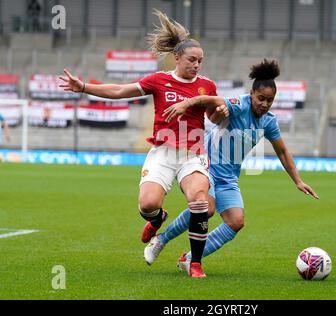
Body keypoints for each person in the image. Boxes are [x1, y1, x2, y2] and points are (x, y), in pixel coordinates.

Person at [59, 10, 228, 278]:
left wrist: (221, 112)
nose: (197, 65)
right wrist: (83, 88)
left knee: (200, 204)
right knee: (148, 204)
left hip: (193, 152)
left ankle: (195, 263)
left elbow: (213, 116)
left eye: (200, 61)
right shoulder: (159, 80)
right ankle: (157, 219)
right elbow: (119, 91)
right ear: (177, 57)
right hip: (163, 151)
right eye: (192, 60)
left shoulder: (207, 85)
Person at [143, 59, 319, 274]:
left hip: (229, 177)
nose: (264, 104)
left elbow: (282, 151)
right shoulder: (238, 104)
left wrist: (298, 181)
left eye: (270, 100)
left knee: (236, 221)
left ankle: (188, 259)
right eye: (261, 98)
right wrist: (189, 103)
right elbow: (212, 100)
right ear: (252, 94)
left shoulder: (269, 121)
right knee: (206, 209)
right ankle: (161, 240)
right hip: (207, 167)